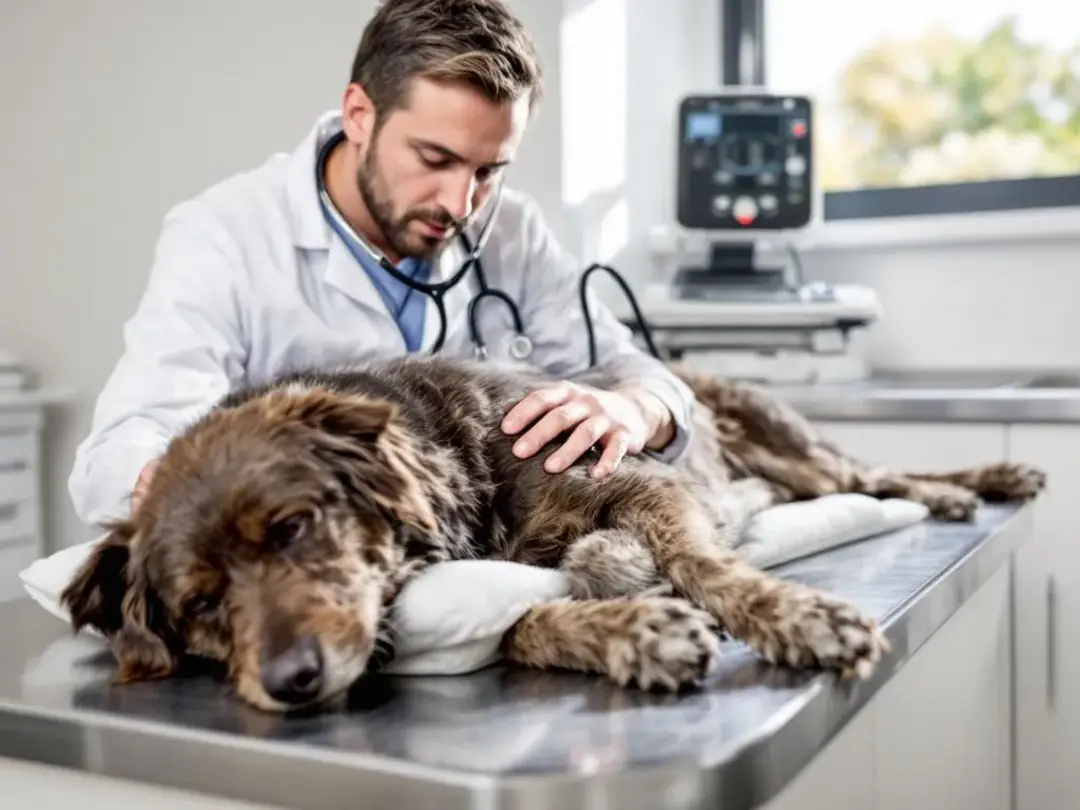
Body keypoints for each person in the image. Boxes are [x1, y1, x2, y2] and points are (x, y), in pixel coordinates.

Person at [68, 0, 697, 529]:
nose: (460, 203)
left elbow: (637, 374)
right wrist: (167, 481)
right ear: (359, 115)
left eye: (488, 170)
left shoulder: (512, 230)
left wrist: (636, 409)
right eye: (434, 158)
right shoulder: (226, 236)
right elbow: (120, 450)